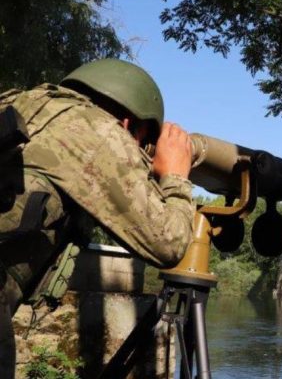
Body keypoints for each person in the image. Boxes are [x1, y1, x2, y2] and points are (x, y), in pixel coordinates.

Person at [0, 58, 195, 377]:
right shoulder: (101, 130)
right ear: (131, 124)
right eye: (144, 143)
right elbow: (168, 242)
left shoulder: (17, 101)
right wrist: (175, 176)